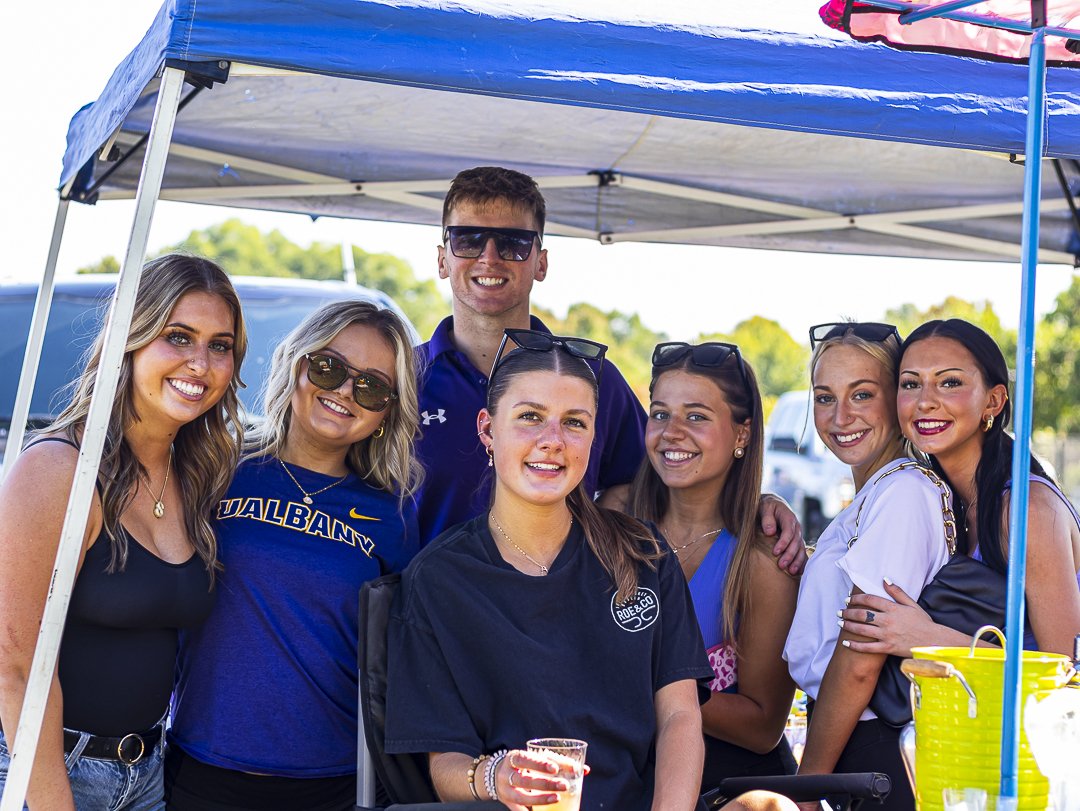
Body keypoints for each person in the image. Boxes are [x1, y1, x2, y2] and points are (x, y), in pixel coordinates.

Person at [385, 330, 796, 811]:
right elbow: (445, 763)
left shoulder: (642, 554)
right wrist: (496, 777)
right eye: (530, 418)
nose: (552, 441)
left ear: (594, 437)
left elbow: (681, 718)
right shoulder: (438, 579)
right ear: (487, 429)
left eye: (574, 423)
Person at [415, 165, 806, 575]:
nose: (489, 257)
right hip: (426, 620)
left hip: (561, 624)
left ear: (541, 263)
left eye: (514, 243)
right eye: (469, 240)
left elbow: (665, 474)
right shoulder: (402, 379)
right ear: (443, 259)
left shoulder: (592, 378)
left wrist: (759, 504)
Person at [0, 254, 247, 811]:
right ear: (129, 341)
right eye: (177, 336)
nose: (200, 364)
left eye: (220, 345)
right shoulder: (60, 469)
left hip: (147, 775)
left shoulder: (198, 475)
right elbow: (11, 669)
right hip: (41, 770)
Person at [164, 300, 422, 811]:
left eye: (370, 386)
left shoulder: (393, 515)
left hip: (333, 783)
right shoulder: (214, 469)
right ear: (297, 364)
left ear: (386, 413)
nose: (344, 391)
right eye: (329, 367)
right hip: (202, 770)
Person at [783, 322, 955, 811]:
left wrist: (807, 782)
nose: (840, 416)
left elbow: (860, 654)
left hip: (878, 743)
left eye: (862, 394)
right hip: (856, 743)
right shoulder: (876, 493)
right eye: (824, 396)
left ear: (896, 400)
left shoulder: (903, 491)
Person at [840, 318, 1080, 656]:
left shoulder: (1029, 510)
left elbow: (1067, 671)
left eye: (949, 382)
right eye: (910, 384)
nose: (925, 401)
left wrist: (929, 639)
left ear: (994, 402)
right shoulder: (929, 495)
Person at [626, 341, 799, 792]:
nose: (672, 432)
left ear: (742, 434)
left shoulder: (763, 557)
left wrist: (643, 687)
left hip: (732, 788)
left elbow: (764, 728)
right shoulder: (615, 525)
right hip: (630, 779)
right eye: (660, 413)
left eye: (697, 416)